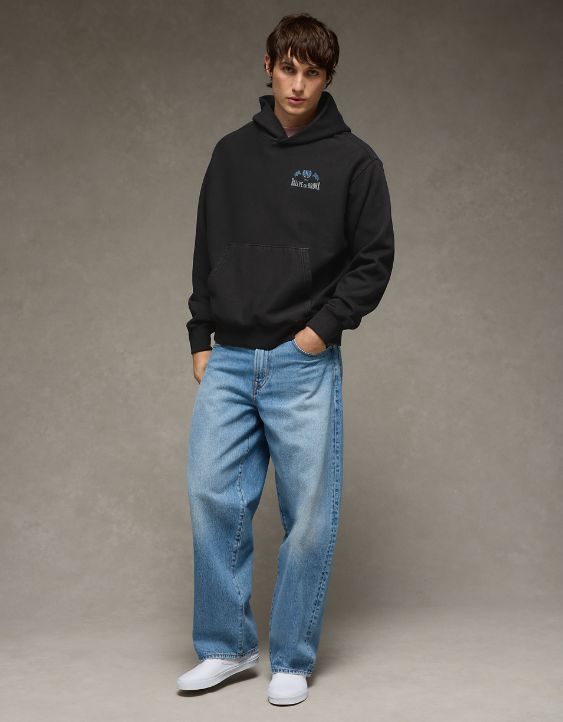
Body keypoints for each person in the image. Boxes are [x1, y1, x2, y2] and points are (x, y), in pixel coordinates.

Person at [177, 12, 394, 706]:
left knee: (308, 517)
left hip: (300, 364)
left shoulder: (354, 161)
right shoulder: (230, 154)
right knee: (212, 497)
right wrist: (200, 336)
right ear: (268, 66)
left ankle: (292, 658)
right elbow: (207, 245)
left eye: (312, 73)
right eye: (288, 69)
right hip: (229, 360)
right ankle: (227, 647)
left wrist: (319, 332)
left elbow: (373, 260)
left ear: (327, 78)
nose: (298, 85)